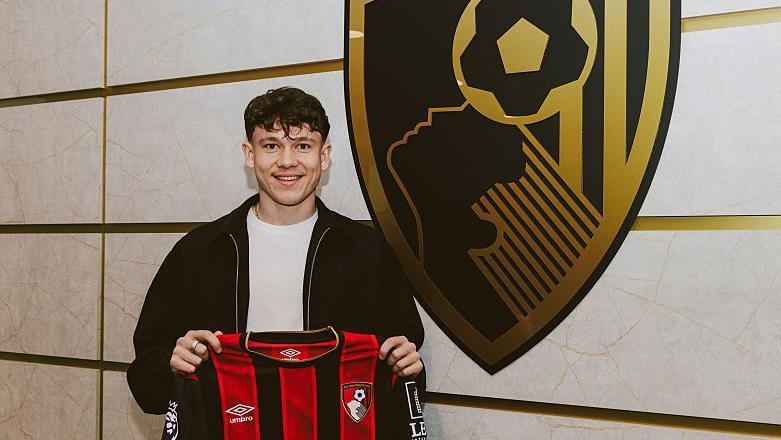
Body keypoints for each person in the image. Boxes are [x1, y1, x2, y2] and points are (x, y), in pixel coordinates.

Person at [127, 87, 425, 414]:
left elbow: (404, 380)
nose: (287, 161)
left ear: (323, 156)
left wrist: (407, 368)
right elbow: (145, 381)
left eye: (302, 146)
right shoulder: (199, 252)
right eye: (271, 145)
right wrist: (171, 363)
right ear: (249, 154)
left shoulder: (368, 253)